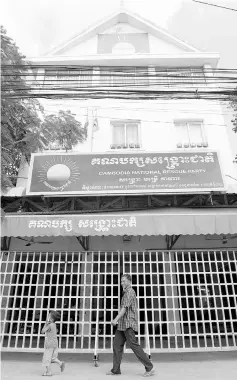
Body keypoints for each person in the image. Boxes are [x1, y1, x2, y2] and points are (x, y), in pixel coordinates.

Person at [106, 274, 155, 377]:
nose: (122, 283)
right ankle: (116, 370)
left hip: (128, 324)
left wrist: (115, 319)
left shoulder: (130, 292)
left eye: (124, 281)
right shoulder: (126, 292)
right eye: (121, 281)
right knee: (116, 345)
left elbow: (124, 309)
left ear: (129, 281)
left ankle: (149, 367)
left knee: (134, 345)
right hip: (122, 325)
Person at [41, 310, 65, 376]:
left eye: (48, 316)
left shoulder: (49, 325)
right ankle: (60, 363)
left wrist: (45, 324)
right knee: (52, 358)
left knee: (46, 358)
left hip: (49, 344)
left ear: (51, 318)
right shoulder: (54, 325)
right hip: (55, 344)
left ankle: (48, 372)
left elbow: (42, 331)